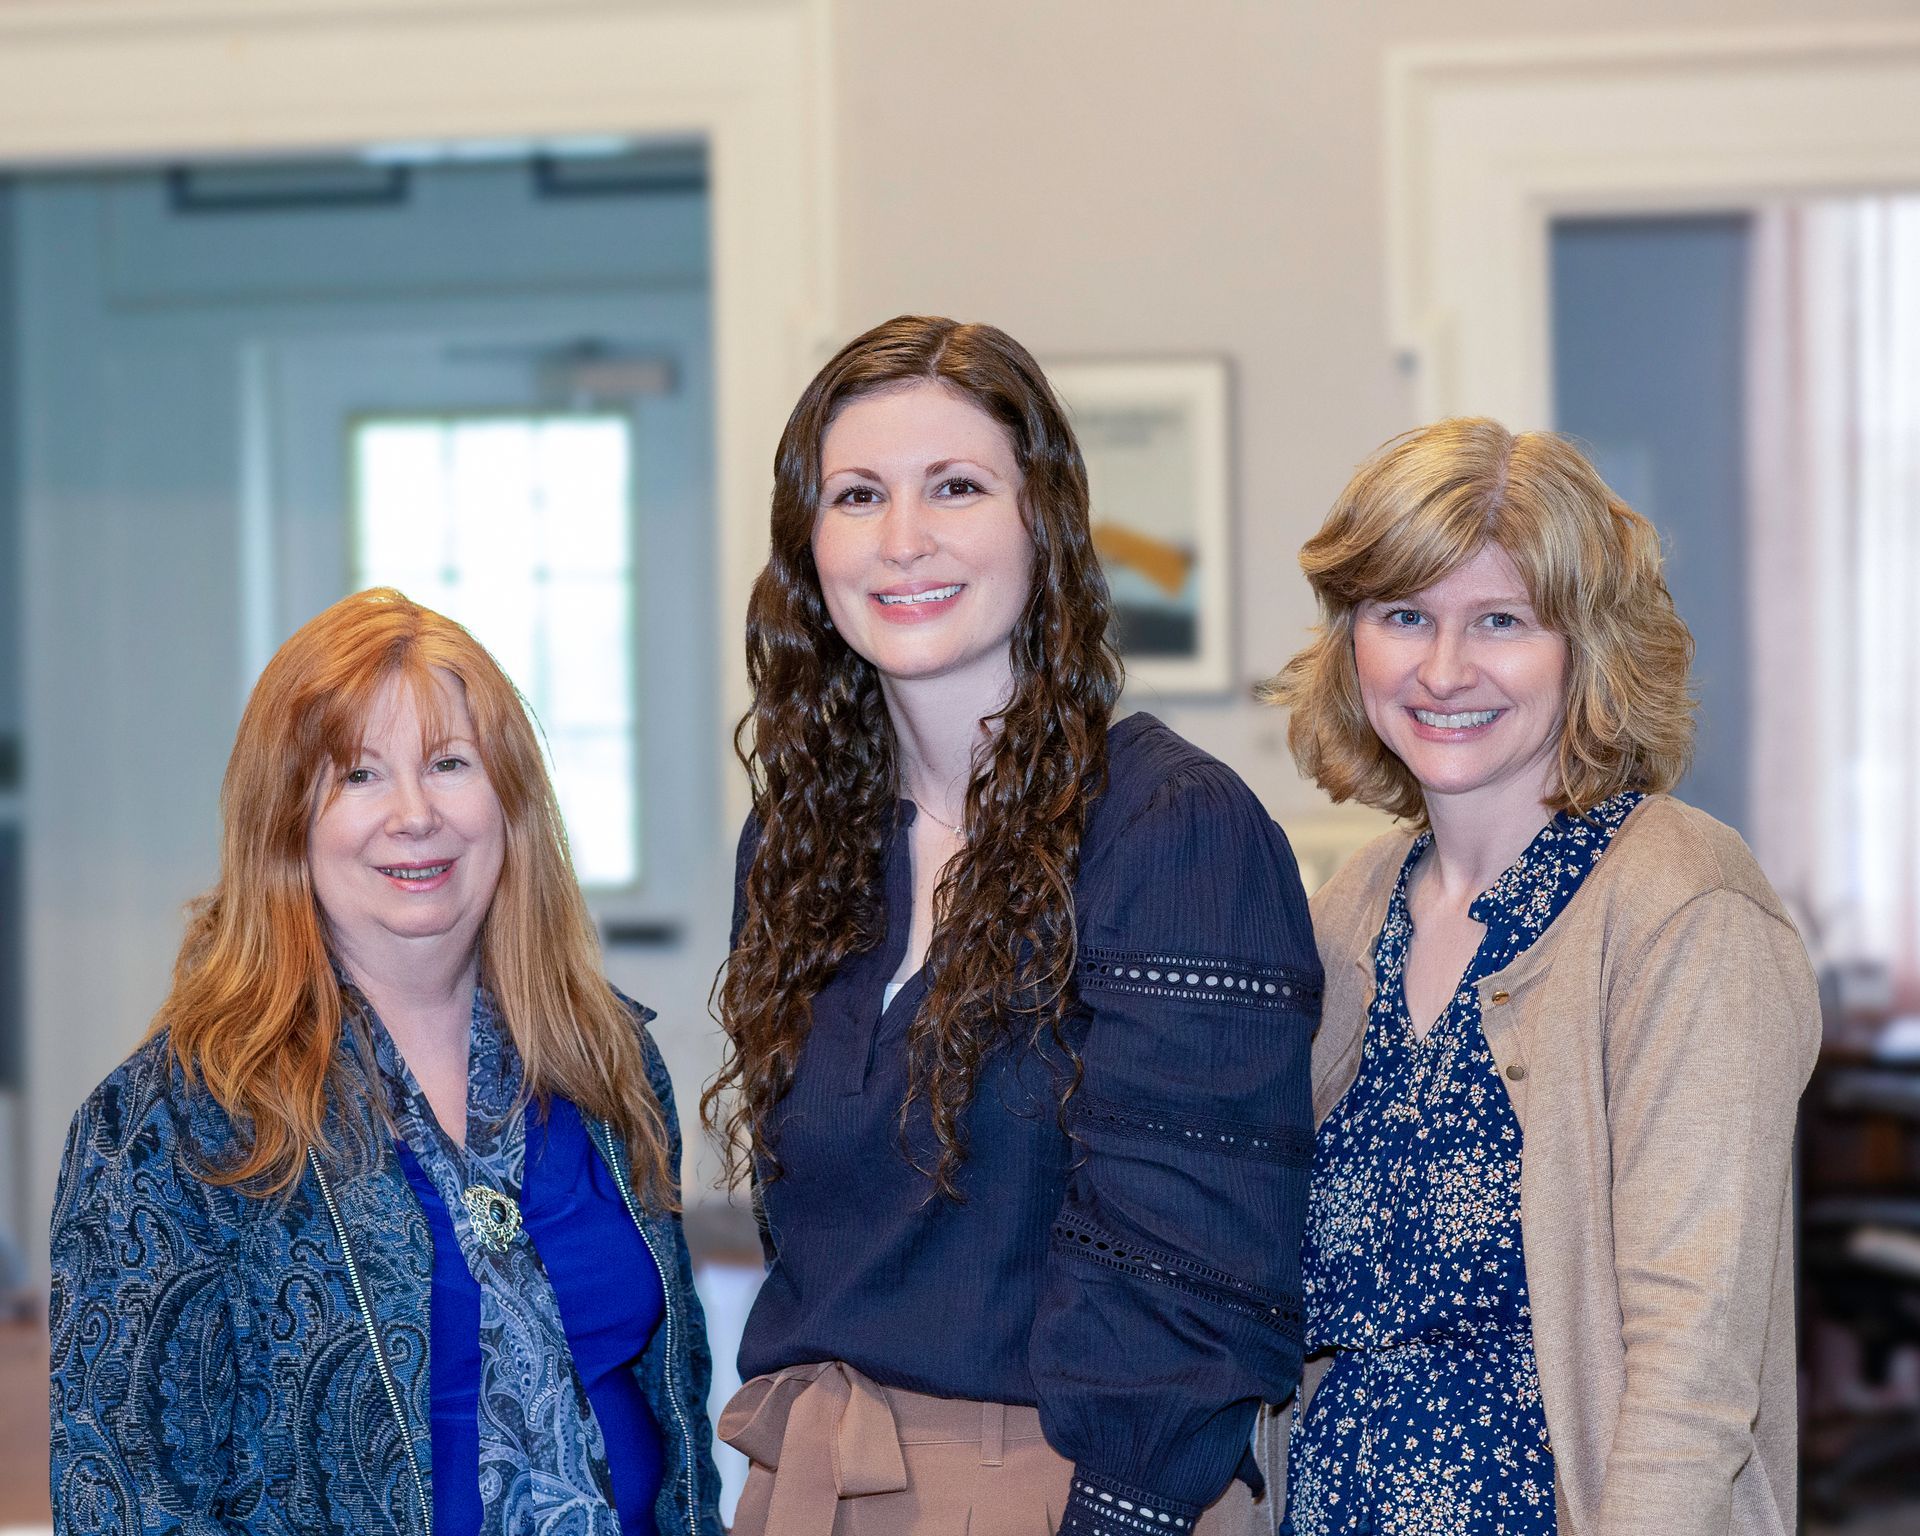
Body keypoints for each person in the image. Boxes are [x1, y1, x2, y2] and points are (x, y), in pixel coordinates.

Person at [706, 314, 1321, 1536]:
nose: (903, 540)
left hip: (1075, 1494)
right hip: (810, 1481)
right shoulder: (799, 844)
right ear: (807, 548)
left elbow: (1199, 1284)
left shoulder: (1169, 829)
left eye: (956, 487)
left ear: (1042, 522)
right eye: (858, 496)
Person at [50, 588, 723, 1536]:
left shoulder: (603, 1058)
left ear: (510, 802)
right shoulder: (168, 1123)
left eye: (450, 764)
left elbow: (675, 1402)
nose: (415, 815)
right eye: (359, 776)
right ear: (285, 822)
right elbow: (124, 1497)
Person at [1261, 418, 1819, 1536]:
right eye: (1403, 615)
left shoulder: (1682, 902)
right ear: (1351, 640)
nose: (1443, 668)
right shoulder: (1348, 908)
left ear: (1587, 646)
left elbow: (1692, 1365)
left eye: (1501, 621)